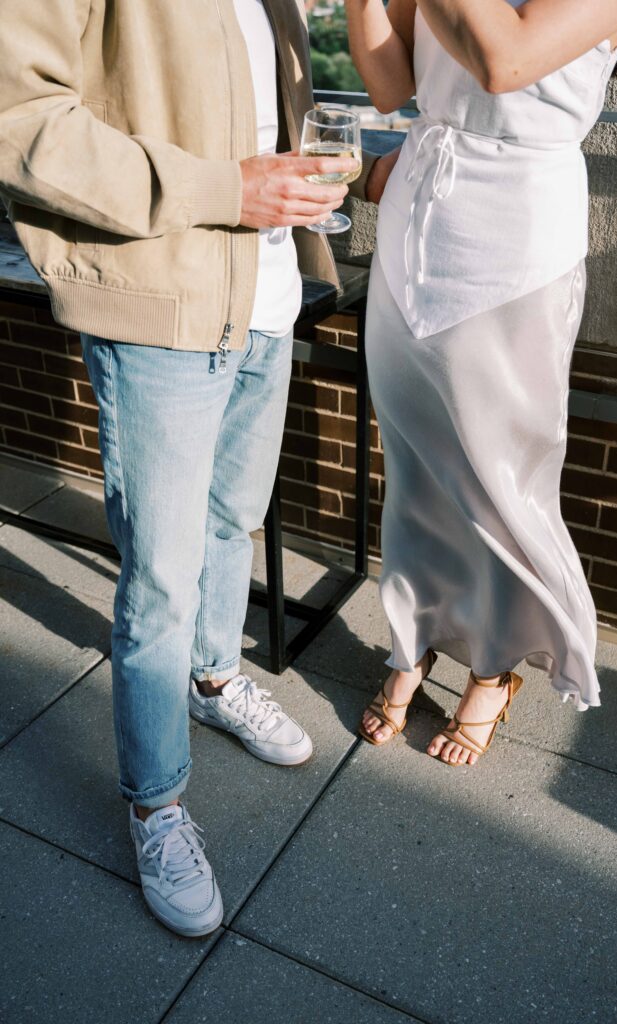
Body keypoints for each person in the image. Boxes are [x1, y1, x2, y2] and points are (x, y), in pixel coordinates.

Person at [0, 0, 383, 938]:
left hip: (268, 294)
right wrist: (226, 192)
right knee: (161, 577)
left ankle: (213, 681)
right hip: (162, 299)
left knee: (230, 521)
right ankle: (156, 804)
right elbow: (19, 121)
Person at [346, 0, 617, 762]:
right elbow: (390, 86)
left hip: (512, 246)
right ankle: (411, 643)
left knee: (497, 480)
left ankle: (493, 670)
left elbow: (505, 64)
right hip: (415, 219)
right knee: (414, 468)